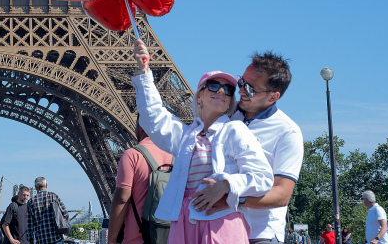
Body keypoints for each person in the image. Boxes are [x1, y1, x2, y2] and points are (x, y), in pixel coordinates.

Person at [132, 40, 274, 243]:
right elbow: (152, 116)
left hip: (220, 220)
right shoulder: (186, 136)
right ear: (199, 96)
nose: (222, 91)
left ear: (229, 103)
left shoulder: (234, 130)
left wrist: (226, 185)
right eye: (214, 86)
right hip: (184, 221)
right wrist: (143, 71)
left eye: (228, 89)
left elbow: (263, 177)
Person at [191, 50, 304, 244]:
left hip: (260, 234)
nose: (241, 91)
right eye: (241, 82)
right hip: (217, 226)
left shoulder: (288, 132)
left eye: (250, 89)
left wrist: (229, 196)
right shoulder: (225, 115)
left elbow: (282, 194)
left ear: (272, 97)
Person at [108, 116, 173, 244]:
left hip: (137, 239)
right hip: (171, 237)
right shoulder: (175, 156)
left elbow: (122, 199)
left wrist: (111, 240)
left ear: (141, 126)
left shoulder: (132, 155)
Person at [26, 176, 69, 244]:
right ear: (46, 185)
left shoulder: (31, 201)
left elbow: (29, 225)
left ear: (35, 187)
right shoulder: (54, 196)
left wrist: (30, 240)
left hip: (41, 239)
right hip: (57, 238)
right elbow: (66, 214)